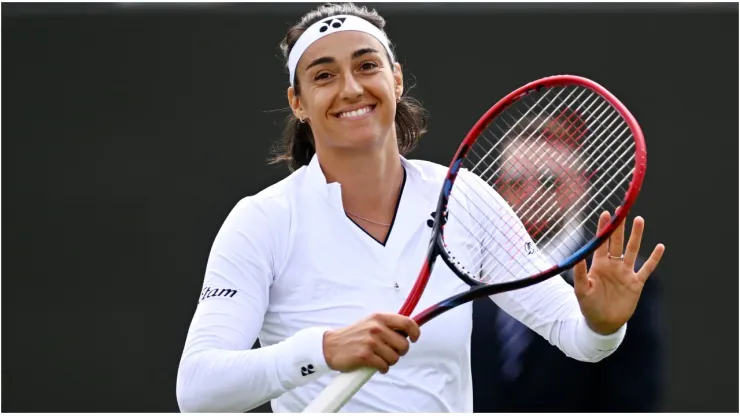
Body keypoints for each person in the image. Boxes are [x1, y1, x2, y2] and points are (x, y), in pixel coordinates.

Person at [175, 3, 666, 413]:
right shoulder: (261, 221)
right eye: (324, 75)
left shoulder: (465, 200)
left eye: (366, 66)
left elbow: (575, 335)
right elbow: (197, 389)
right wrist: (324, 350)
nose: (350, 88)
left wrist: (605, 325)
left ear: (397, 79)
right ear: (298, 102)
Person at [471, 114, 663, 412]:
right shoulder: (469, 274)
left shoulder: (625, 281)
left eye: (549, 183)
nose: (532, 195)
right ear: (498, 188)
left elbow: (634, 400)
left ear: (583, 183)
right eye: (515, 183)